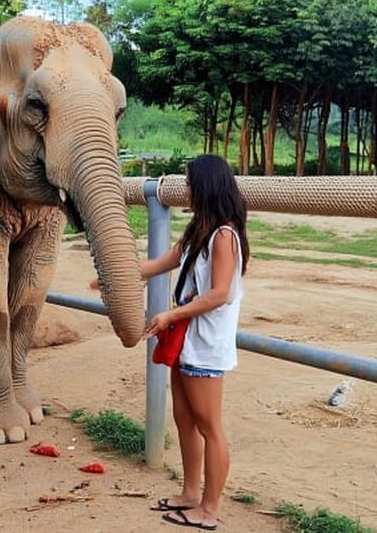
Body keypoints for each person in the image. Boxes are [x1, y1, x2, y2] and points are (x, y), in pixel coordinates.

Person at [143, 154, 249, 530]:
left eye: (189, 183)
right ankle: (190, 493)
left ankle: (209, 509)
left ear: (205, 186)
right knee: (184, 419)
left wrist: (171, 314)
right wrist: (115, 274)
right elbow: (160, 264)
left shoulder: (224, 235)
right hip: (186, 340)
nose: (185, 189)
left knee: (209, 426)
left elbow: (220, 293)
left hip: (204, 343)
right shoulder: (198, 230)